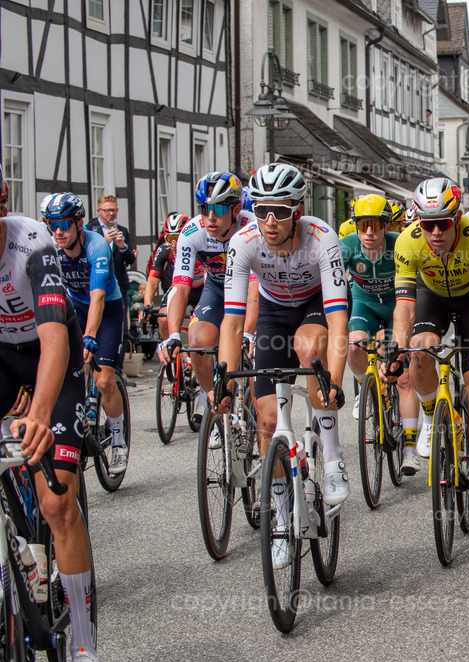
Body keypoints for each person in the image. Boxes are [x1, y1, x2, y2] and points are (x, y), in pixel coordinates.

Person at [212, 163, 351, 567]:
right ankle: (279, 523)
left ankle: (331, 457)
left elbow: (338, 317)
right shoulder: (243, 242)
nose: (270, 222)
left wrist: (335, 383)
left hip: (313, 305)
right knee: (268, 422)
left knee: (309, 349)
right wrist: (224, 376)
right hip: (273, 309)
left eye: (281, 211)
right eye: (260, 211)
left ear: (298, 209)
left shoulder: (322, 237)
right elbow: (234, 321)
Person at [1, 185, 103, 662]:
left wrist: (39, 415)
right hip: (2, 359)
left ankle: (83, 643)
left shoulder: (34, 244)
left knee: (58, 501)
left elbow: (54, 339)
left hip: (50, 356)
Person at [389, 177, 469, 519]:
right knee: (419, 351)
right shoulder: (408, 243)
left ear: (455, 220)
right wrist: (396, 351)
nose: (435, 232)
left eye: (441, 224)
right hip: (432, 297)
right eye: (427, 224)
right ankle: (429, 418)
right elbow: (405, 308)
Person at [158, 171, 258, 431]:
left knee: (250, 349)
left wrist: (248, 332)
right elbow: (180, 287)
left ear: (235, 209)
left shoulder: (252, 227)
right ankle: (215, 404)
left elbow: (256, 288)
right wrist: (171, 337)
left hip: (251, 288)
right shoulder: (192, 233)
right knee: (198, 342)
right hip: (217, 288)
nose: (210, 218)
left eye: (217, 209)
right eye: (204, 209)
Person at [44, 192, 129, 475]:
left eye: (64, 224)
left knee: (104, 380)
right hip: (74, 308)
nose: (58, 232)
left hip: (106, 308)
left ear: (79, 224)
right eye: (52, 225)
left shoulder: (97, 248)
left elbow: (98, 298)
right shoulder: (51, 249)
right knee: (68, 372)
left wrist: (90, 336)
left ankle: (118, 440)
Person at [340, 194, 420, 475]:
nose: (369, 233)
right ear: (356, 226)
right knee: (353, 347)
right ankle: (365, 388)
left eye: (376, 225)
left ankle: (410, 449)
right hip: (366, 306)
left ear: (387, 226)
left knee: (404, 378)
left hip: (397, 307)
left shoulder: (399, 243)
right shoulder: (348, 246)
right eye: (363, 226)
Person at [86, 194, 135, 372]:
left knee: (121, 330)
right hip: (95, 285)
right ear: (99, 211)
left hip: (118, 285)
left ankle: (117, 371)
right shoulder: (90, 230)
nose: (111, 214)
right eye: (107, 211)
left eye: (114, 210)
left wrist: (122, 246)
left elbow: (130, 259)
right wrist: (103, 243)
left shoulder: (122, 230)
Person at [141, 212, 202, 340]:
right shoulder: (165, 250)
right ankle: (169, 354)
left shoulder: (200, 247)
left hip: (202, 288)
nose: (174, 245)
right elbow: (152, 281)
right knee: (163, 320)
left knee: (200, 323)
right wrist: (147, 304)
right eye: (170, 239)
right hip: (179, 287)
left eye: (178, 238)